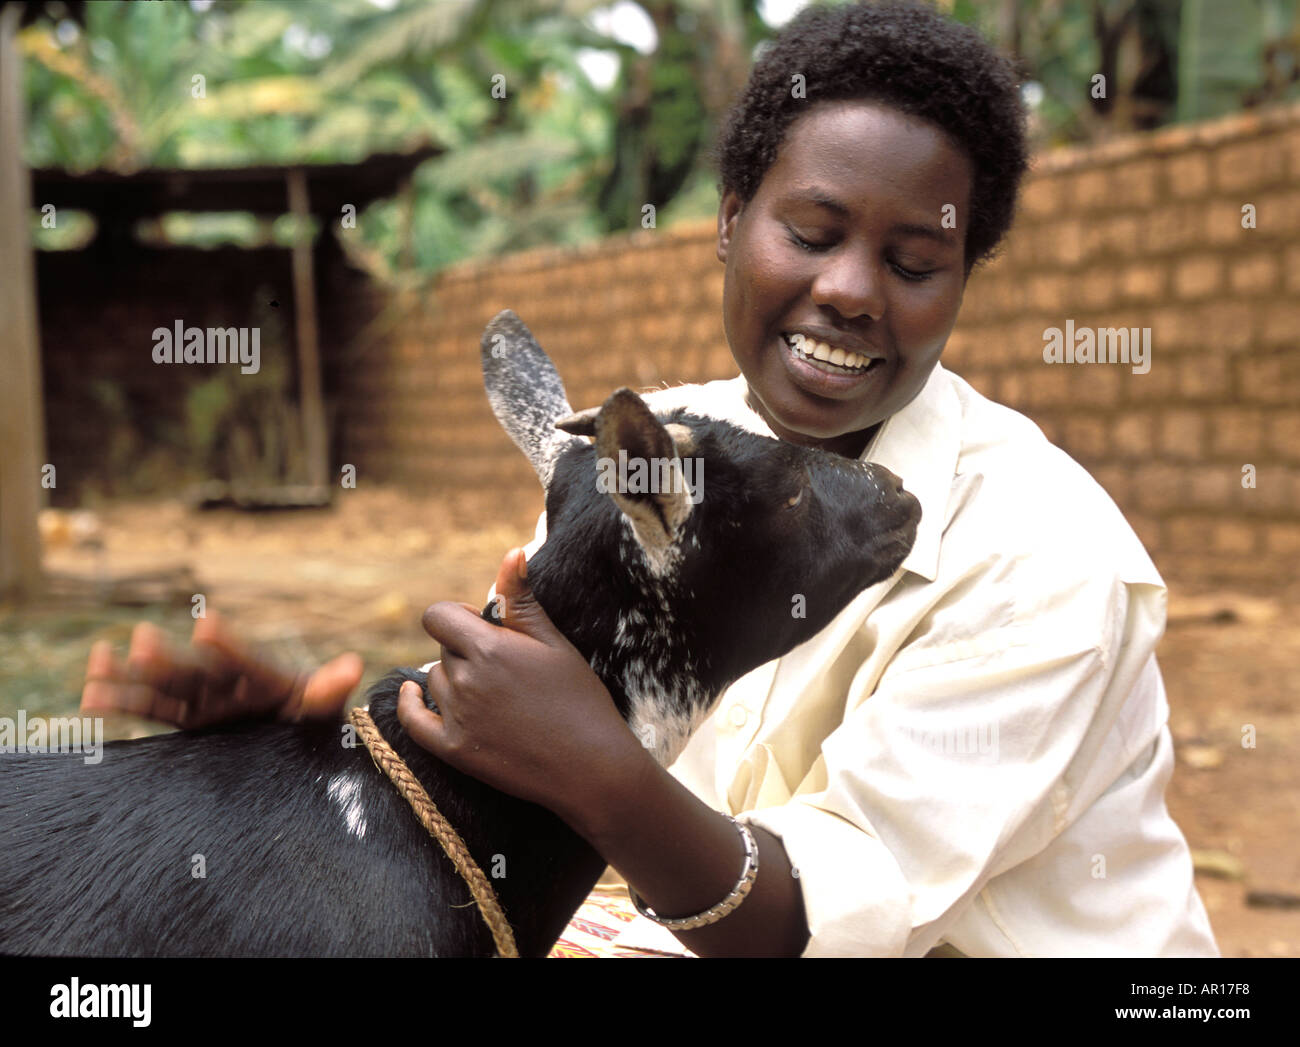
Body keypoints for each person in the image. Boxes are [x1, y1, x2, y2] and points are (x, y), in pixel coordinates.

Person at [82, 0, 1218, 957]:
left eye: (915, 261)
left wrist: (602, 775)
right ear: (731, 223)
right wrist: (319, 761)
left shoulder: (1040, 554)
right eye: (812, 232)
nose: (853, 292)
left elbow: (818, 914)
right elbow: (528, 736)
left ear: (963, 276)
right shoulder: (653, 453)